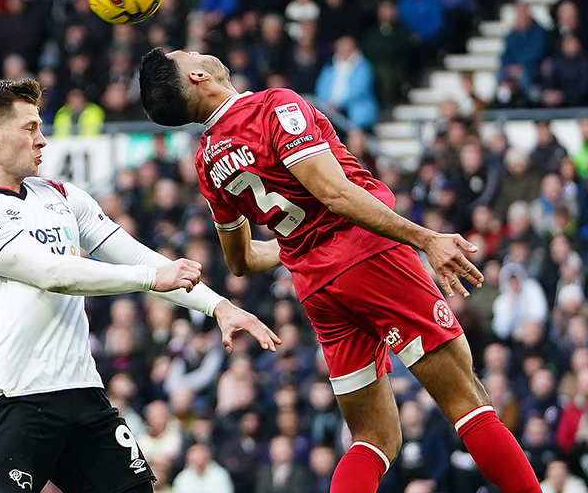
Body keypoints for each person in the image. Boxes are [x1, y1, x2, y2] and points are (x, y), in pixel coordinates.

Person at [138, 47, 540, 493]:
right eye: (189, 52)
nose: (200, 51)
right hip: (372, 257)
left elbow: (241, 260)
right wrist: (426, 239)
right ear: (196, 74)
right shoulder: (274, 106)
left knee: (374, 439)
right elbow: (337, 195)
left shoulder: (207, 162)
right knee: (468, 400)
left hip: (317, 290)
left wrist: (296, 247)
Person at [0, 79, 279, 493]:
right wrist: (152, 279)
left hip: (84, 396)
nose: (42, 140)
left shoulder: (61, 195)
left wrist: (218, 306)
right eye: (30, 128)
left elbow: (136, 255)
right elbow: (53, 274)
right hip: (20, 402)